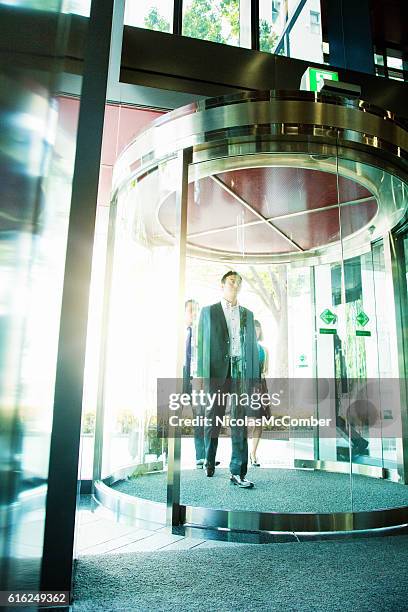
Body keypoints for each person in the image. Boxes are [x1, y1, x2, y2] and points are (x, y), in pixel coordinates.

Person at [195, 271, 259, 488]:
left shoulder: (247, 314)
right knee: (213, 417)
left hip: (240, 371)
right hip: (216, 372)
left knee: (239, 421)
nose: (236, 284)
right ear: (222, 285)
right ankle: (209, 460)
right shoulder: (208, 312)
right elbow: (201, 346)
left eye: (239, 282)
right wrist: (202, 377)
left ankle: (238, 471)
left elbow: (251, 347)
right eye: (232, 281)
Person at [183, 299, 205, 468]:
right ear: (185, 312)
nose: (194, 313)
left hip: (195, 378)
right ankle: (166, 456)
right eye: (191, 310)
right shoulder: (178, 332)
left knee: (199, 415)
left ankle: (201, 456)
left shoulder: (201, 333)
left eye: (196, 310)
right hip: (179, 375)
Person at [249, 319, 270, 467]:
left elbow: (265, 371)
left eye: (258, 329)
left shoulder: (264, 350)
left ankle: (253, 453)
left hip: (260, 387)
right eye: (254, 329)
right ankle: (242, 454)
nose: (256, 331)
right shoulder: (244, 349)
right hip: (246, 388)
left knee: (258, 422)